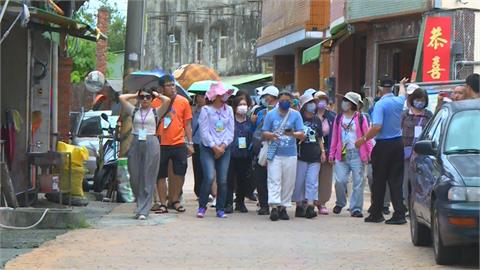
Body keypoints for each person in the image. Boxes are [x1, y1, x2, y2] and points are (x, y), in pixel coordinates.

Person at [355, 77, 407, 225]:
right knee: (396, 180)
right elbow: (403, 94)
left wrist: (363, 139)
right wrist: (402, 84)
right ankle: (399, 214)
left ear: (379, 88)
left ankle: (376, 213)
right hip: (398, 143)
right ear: (392, 87)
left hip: (383, 145)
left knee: (379, 181)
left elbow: (377, 126)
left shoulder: (380, 105)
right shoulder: (398, 101)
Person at [119, 89, 170, 220]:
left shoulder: (156, 111)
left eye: (148, 97)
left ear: (152, 99)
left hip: (151, 141)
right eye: (142, 97)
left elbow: (167, 101)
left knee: (149, 176)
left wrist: (157, 95)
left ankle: (143, 209)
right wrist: (135, 95)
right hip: (136, 141)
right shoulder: (134, 110)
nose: (145, 99)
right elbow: (122, 98)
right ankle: (139, 202)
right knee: (135, 176)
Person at [262, 91, 305, 221]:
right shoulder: (270, 115)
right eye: (282, 100)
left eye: (288, 100)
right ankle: (274, 206)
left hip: (290, 153)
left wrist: (293, 134)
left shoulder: (296, 115)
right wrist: (272, 135)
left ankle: (284, 207)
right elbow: (264, 132)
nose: (285, 103)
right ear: (278, 101)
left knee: (288, 182)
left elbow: (302, 133)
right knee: (274, 179)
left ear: (291, 102)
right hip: (275, 153)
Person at [154, 75, 194, 213]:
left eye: (173, 84)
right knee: (160, 175)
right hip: (161, 143)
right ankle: (162, 203)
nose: (172, 88)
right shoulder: (155, 102)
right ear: (161, 88)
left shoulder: (183, 102)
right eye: (169, 85)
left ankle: (175, 200)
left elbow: (187, 124)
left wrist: (190, 142)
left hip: (178, 142)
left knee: (180, 173)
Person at [329, 92, 372, 218]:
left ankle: (356, 208)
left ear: (353, 104)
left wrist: (369, 153)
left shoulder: (361, 118)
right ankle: (340, 202)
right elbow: (335, 138)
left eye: (347, 101)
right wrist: (331, 153)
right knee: (340, 181)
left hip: (357, 153)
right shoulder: (338, 118)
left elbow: (367, 136)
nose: (344, 103)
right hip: (341, 153)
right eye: (344, 100)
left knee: (358, 182)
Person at [197, 83, 235, 218]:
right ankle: (202, 206)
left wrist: (223, 146)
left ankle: (220, 208)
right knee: (208, 177)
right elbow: (204, 131)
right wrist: (214, 146)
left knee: (223, 179)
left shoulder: (229, 110)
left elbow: (231, 130)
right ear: (216, 96)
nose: (225, 96)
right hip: (208, 148)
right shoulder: (206, 110)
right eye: (222, 93)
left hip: (224, 148)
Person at [293, 93, 326, 219]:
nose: (313, 105)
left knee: (312, 181)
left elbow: (319, 137)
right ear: (304, 105)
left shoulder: (317, 119)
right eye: (310, 103)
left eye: (314, 103)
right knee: (299, 181)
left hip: (315, 154)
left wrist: (323, 151)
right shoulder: (298, 118)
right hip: (301, 154)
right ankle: (299, 205)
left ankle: (311, 206)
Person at [401, 88, 433, 207]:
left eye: (422, 100)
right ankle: (404, 204)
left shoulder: (429, 115)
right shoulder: (405, 114)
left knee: (419, 180)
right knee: (405, 180)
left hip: (422, 153)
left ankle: (415, 205)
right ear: (412, 99)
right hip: (406, 152)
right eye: (418, 99)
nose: (420, 102)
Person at [251, 86, 279, 215]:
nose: (265, 99)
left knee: (276, 178)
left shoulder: (284, 111)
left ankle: (276, 205)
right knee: (261, 176)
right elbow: (256, 131)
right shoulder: (261, 112)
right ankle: (264, 204)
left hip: (278, 148)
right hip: (262, 148)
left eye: (266, 96)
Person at [226, 96, 253, 213]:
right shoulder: (229, 119)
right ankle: (228, 203)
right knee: (229, 179)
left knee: (243, 180)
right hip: (230, 153)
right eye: (240, 104)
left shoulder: (250, 121)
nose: (243, 107)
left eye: (245, 104)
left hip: (245, 155)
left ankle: (240, 202)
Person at [312, 91, 336, 215]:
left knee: (325, 178)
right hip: (311, 150)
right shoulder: (309, 115)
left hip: (327, 150)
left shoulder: (332, 116)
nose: (321, 102)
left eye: (323, 99)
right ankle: (310, 201)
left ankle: (322, 203)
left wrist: (333, 152)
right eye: (318, 99)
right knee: (311, 177)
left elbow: (336, 135)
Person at [191, 92, 207, 199]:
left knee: (207, 168)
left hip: (207, 143)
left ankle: (207, 190)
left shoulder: (209, 111)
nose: (201, 99)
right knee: (197, 168)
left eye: (203, 97)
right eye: (199, 97)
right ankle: (198, 190)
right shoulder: (193, 111)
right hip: (196, 142)